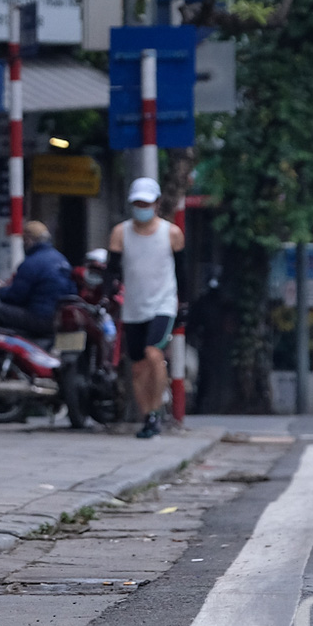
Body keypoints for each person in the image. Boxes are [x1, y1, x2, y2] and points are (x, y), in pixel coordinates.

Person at [108, 178, 184, 440]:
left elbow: (182, 272)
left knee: (154, 352)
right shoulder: (121, 233)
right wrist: (109, 295)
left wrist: (183, 303)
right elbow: (112, 270)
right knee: (138, 366)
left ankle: (159, 406)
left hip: (163, 303)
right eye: (137, 203)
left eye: (146, 203)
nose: (142, 207)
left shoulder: (171, 233)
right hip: (134, 306)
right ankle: (148, 416)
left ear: (156, 204)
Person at [0, 221, 73, 338]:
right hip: (58, 318)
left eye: (24, 241)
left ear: (29, 240)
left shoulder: (31, 262)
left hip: (40, 319)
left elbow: (15, 297)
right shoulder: (62, 259)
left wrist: (1, 290)